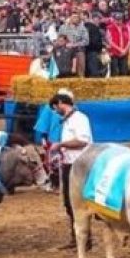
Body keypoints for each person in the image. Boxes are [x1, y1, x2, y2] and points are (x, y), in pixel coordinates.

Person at [50, 90, 91, 249]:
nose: (56, 112)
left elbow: (82, 141)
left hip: (79, 165)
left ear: (60, 103)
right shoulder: (68, 121)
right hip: (69, 164)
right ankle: (77, 237)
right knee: (69, 202)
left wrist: (61, 145)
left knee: (79, 202)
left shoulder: (79, 119)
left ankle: (83, 238)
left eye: (55, 108)